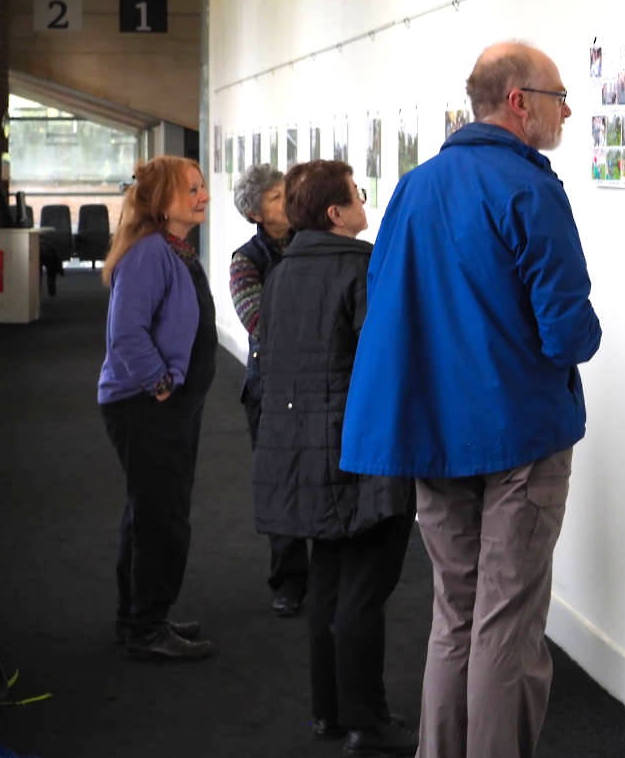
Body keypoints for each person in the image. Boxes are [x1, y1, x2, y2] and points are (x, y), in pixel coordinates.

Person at [340, 42, 602, 758]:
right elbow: (567, 331)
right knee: (507, 622)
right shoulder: (530, 188)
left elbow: (388, 307)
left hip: (434, 434)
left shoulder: (415, 187)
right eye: (558, 96)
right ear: (519, 101)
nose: (567, 110)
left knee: (455, 612)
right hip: (519, 434)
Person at [253, 160, 418, 757]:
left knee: (327, 579)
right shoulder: (361, 269)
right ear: (335, 213)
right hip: (360, 449)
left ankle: (327, 711)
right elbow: (384, 364)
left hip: (301, 451)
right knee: (364, 590)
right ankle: (366, 723)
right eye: (356, 194)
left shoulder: (281, 274)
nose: (362, 201)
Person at [97, 156, 217, 661]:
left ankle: (141, 618)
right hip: (147, 404)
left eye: (202, 187)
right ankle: (147, 626)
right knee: (161, 517)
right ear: (162, 201)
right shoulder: (149, 253)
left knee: (149, 511)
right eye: (191, 190)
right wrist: (160, 382)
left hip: (165, 404)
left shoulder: (172, 250)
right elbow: (126, 332)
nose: (203, 196)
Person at [229, 163, 310, 617]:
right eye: (278, 198)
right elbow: (260, 323)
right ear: (257, 213)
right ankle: (289, 580)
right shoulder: (246, 260)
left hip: (317, 387)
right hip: (271, 391)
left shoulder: (313, 244)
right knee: (282, 485)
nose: (289, 202)